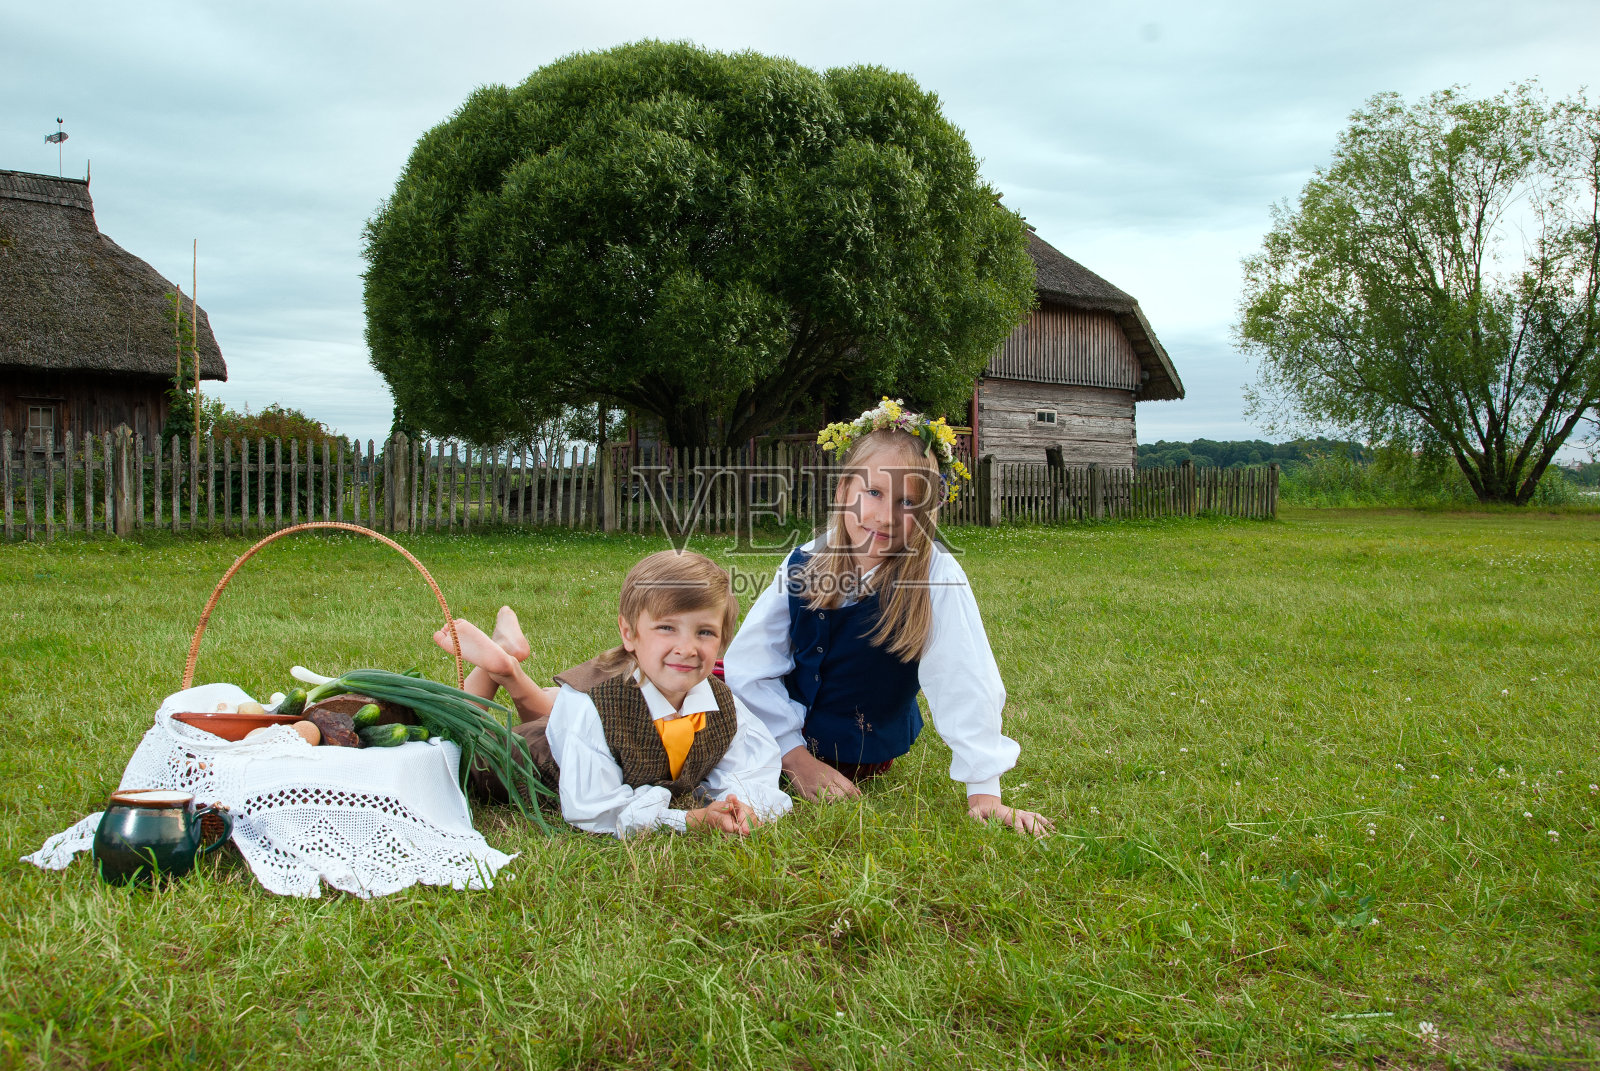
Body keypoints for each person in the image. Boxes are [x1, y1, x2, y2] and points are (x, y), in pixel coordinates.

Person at [724, 399, 1053, 836]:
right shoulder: (805, 562)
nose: (883, 516)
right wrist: (793, 756)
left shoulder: (935, 576)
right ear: (844, 491)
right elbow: (749, 666)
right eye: (873, 493)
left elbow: (965, 678)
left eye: (906, 502)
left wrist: (985, 793)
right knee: (694, 683)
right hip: (771, 735)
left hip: (860, 756)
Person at [436, 551, 792, 839]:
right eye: (667, 628)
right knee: (454, 744)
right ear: (629, 632)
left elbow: (755, 767)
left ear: (722, 642)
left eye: (705, 632)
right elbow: (596, 809)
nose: (687, 648)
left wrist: (743, 805)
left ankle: (506, 662)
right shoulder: (594, 704)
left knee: (557, 716)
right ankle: (497, 667)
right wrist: (690, 820)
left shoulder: (722, 704)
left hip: (576, 730)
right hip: (524, 761)